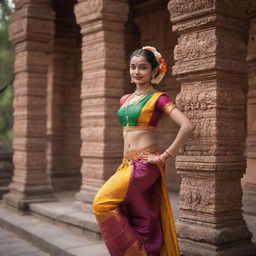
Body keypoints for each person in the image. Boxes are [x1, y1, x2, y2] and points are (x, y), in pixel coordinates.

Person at [92, 46, 194, 256]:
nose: (136, 72)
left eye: (143, 67)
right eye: (133, 67)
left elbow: (187, 125)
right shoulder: (125, 100)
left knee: (101, 203)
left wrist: (165, 156)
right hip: (127, 164)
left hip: (145, 164)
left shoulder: (158, 98)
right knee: (141, 218)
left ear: (154, 71)